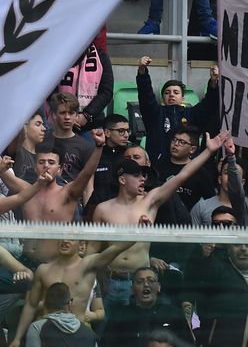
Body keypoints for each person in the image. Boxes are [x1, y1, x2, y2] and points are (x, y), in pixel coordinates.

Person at [93, 132, 227, 302]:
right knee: (108, 328)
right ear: (122, 179)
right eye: (136, 175)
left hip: (141, 280)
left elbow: (182, 176)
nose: (143, 179)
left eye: (143, 175)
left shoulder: (149, 202)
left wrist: (208, 151)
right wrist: (97, 281)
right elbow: (93, 250)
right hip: (111, 281)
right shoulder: (102, 209)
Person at [9, 239, 133, 347]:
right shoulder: (43, 270)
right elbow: (31, 304)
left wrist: (140, 230)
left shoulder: (89, 265)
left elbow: (117, 248)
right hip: (47, 334)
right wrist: (17, 338)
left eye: (71, 239)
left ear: (80, 244)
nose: (65, 241)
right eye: (63, 237)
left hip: (76, 333)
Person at [100, 266, 195, 347]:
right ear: (132, 288)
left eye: (151, 281)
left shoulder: (173, 314)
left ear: (159, 286)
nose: (146, 284)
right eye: (140, 282)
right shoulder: (120, 315)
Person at [136, 58, 220, 153]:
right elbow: (146, 95)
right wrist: (142, 72)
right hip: (159, 165)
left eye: (176, 92)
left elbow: (210, 103)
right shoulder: (155, 113)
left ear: (182, 98)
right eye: (167, 93)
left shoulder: (192, 113)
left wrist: (213, 82)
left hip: (189, 165)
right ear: (163, 98)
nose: (171, 95)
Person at [152, 127, 216, 211]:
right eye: (174, 139)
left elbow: (211, 201)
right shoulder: (158, 166)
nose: (175, 144)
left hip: (188, 221)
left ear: (192, 149)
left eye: (182, 142)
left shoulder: (200, 172)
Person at [47, 93, 95, 183]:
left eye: (71, 113)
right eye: (62, 113)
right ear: (54, 115)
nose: (67, 117)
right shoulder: (43, 140)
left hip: (73, 195)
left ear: (76, 115)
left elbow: (88, 182)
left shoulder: (86, 146)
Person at [189, 150, 245, 225]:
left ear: (242, 182)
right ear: (219, 179)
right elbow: (192, 236)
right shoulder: (201, 207)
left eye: (236, 175)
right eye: (227, 173)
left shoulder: (246, 207)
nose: (231, 179)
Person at [14, 112, 47, 183]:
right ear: (25, 125)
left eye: (43, 124)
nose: (44, 128)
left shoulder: (42, 158)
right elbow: (21, 136)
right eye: (38, 124)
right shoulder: (16, 152)